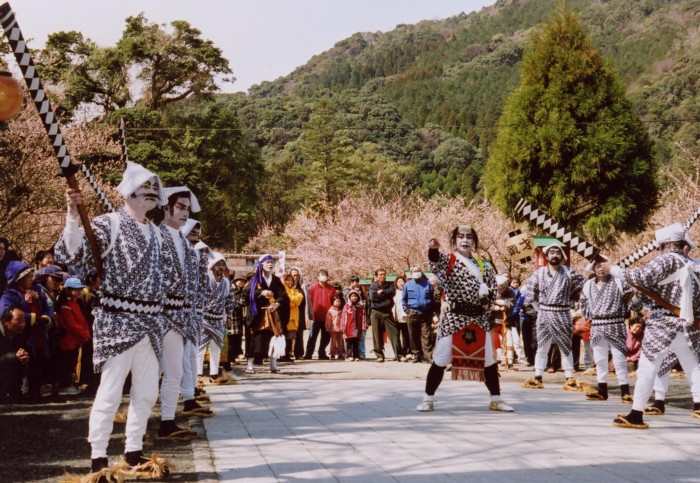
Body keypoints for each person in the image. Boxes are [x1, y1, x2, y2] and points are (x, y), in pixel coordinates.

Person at [54, 161, 169, 476]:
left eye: (153, 191)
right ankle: (99, 458)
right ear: (128, 194)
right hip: (117, 320)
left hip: (151, 323)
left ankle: (133, 452)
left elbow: (167, 278)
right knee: (111, 390)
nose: (151, 195)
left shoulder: (157, 235)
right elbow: (70, 256)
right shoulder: (109, 223)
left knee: (146, 392)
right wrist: (73, 215)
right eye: (144, 190)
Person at [599, 223, 700, 429]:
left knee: (647, 368)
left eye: (660, 245)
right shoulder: (694, 265)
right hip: (687, 324)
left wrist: (614, 269)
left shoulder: (668, 259)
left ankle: (636, 413)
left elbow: (642, 277)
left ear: (668, 244)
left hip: (662, 323)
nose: (658, 250)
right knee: (693, 368)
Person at [417, 225, 513, 413]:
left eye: (469, 237)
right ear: (454, 240)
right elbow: (435, 263)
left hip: (478, 317)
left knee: (488, 361)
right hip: (455, 316)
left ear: (474, 241)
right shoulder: (449, 260)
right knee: (442, 358)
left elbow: (493, 288)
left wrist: (487, 295)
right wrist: (433, 249)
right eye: (460, 236)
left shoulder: (483, 264)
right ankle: (427, 398)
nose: (465, 240)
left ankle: (496, 398)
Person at [158, 187, 208, 443]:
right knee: (144, 377)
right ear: (166, 207)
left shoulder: (188, 247)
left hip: (181, 317)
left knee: (175, 371)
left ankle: (167, 422)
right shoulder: (155, 236)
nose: (184, 211)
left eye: (187, 207)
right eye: (180, 206)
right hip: (155, 315)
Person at [522, 243, 586, 391]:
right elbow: (529, 296)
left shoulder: (570, 272)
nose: (555, 254)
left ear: (562, 256)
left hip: (563, 312)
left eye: (558, 252)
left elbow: (585, 286)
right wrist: (539, 309)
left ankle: (569, 376)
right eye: (552, 252)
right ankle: (538, 375)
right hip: (544, 312)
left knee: (565, 347)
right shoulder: (538, 273)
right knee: (542, 346)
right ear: (546, 256)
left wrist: (574, 300)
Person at [579, 259, 635, 403]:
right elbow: (583, 302)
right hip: (597, 324)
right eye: (597, 266)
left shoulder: (618, 282)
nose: (600, 269)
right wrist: (589, 315)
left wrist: (624, 311)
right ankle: (602, 390)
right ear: (593, 269)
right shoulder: (588, 284)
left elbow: (629, 296)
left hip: (615, 322)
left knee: (619, 359)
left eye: (603, 266)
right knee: (600, 359)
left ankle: (625, 391)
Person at [0, 261, 53, 400]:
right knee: (28, 361)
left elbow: (48, 307)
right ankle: (24, 393)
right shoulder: (10, 296)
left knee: (42, 361)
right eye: (28, 277)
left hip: (40, 335)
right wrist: (34, 318)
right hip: (24, 337)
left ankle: (40, 392)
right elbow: (6, 313)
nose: (31, 279)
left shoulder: (37, 290)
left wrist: (47, 317)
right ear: (19, 279)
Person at [245, 255, 288, 374]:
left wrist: (277, 304)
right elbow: (246, 293)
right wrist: (261, 292)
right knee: (254, 340)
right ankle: (250, 364)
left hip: (272, 314)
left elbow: (283, 295)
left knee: (274, 339)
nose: (270, 264)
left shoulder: (276, 280)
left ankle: (273, 364)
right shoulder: (255, 279)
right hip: (257, 315)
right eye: (268, 262)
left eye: (272, 262)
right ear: (261, 264)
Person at [198, 252, 233, 385]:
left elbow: (230, 299)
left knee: (216, 348)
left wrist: (228, 315)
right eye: (218, 264)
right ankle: (198, 374)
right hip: (204, 318)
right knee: (200, 348)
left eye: (223, 264)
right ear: (212, 266)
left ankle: (213, 374)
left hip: (218, 318)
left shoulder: (227, 282)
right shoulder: (204, 279)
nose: (220, 267)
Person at [54, 277, 91, 396]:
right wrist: (84, 334)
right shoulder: (65, 305)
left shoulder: (76, 302)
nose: (79, 291)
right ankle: (64, 386)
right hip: (68, 340)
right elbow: (71, 325)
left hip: (76, 339)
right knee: (67, 363)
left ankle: (70, 384)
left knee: (73, 362)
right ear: (68, 290)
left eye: (80, 289)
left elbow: (82, 320)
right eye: (76, 289)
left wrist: (86, 332)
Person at [402, 265, 434, 363]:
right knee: (413, 336)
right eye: (414, 271)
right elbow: (404, 299)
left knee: (427, 336)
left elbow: (432, 299)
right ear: (411, 273)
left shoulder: (428, 283)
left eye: (418, 270)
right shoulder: (407, 285)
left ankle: (428, 357)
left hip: (425, 314)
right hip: (412, 313)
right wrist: (407, 310)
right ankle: (417, 355)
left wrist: (431, 312)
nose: (417, 272)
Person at [369, 269, 400, 362]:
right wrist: (385, 294)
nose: (382, 276)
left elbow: (392, 292)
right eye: (380, 275)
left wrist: (381, 292)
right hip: (376, 312)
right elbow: (373, 298)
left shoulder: (390, 285)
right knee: (376, 334)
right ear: (376, 276)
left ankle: (399, 354)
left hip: (387, 311)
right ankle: (379, 355)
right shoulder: (373, 286)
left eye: (384, 274)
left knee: (394, 333)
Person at [0, 306, 30, 403]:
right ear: (5, 321)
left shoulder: (19, 335)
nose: (22, 324)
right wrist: (14, 356)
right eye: (18, 320)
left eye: (24, 321)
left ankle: (14, 392)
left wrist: (24, 357)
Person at [304, 269, 335, 360]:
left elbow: (334, 302)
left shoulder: (331, 289)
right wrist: (309, 314)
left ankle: (322, 353)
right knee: (312, 336)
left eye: (325, 275)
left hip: (327, 317)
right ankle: (308, 353)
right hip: (315, 316)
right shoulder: (312, 288)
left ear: (327, 277)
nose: (323, 276)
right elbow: (309, 302)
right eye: (321, 275)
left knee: (326, 337)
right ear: (318, 277)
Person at [489, 274, 518, 369]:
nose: (500, 290)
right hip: (491, 319)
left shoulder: (510, 291)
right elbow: (487, 304)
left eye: (502, 288)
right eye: (499, 288)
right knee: (491, 342)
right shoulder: (491, 289)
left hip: (506, 319)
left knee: (509, 341)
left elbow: (512, 303)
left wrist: (501, 302)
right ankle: (493, 363)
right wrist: (497, 307)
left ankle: (509, 362)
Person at [280, 273, 303, 363]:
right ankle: (282, 355)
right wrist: (292, 302)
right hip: (284, 316)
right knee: (283, 336)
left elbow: (299, 299)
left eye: (291, 280)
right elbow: (284, 301)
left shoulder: (296, 291)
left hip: (293, 317)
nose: (289, 282)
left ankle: (288, 354)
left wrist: (290, 300)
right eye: (287, 280)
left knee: (290, 337)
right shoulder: (282, 290)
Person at [226, 274, 247, 365]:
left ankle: (233, 357)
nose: (241, 282)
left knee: (237, 339)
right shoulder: (233, 291)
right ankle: (229, 358)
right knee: (231, 339)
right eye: (239, 280)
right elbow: (234, 304)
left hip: (238, 318)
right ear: (235, 281)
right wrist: (239, 303)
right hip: (232, 318)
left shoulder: (242, 291)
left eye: (243, 281)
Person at [289, 268, 309, 360]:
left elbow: (306, 302)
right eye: (294, 275)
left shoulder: (302, 287)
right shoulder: (287, 286)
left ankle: (299, 353)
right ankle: (288, 352)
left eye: (297, 275)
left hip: (300, 313)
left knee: (299, 334)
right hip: (289, 313)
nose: (295, 277)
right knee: (289, 334)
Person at [342, 289, 366, 361]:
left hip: (357, 327)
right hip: (348, 327)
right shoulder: (346, 306)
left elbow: (363, 316)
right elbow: (343, 317)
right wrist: (343, 327)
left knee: (356, 342)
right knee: (349, 342)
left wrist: (364, 325)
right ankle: (348, 355)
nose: (354, 298)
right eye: (352, 296)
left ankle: (356, 355)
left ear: (358, 297)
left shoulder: (361, 307)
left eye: (355, 296)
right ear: (349, 297)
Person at [393, 275, 409, 361]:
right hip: (395, 316)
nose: (401, 283)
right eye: (399, 281)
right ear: (396, 283)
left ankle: (405, 352)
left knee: (406, 336)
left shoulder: (407, 291)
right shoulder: (394, 292)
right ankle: (398, 353)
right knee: (396, 335)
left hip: (405, 316)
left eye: (402, 281)